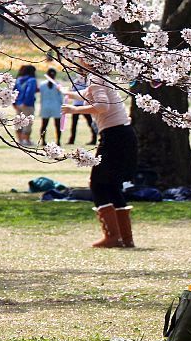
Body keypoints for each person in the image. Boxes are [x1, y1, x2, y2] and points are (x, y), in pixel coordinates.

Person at [61, 60, 138, 248]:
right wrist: (67, 94)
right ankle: (124, 238)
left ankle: (112, 237)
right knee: (112, 185)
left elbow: (102, 106)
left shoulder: (95, 80)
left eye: (82, 57)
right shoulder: (102, 79)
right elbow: (91, 97)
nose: (77, 61)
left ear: (89, 61)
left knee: (98, 183)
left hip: (114, 136)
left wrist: (74, 110)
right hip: (124, 135)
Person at [66, 73, 97, 145]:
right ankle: (72, 140)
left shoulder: (87, 82)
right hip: (76, 105)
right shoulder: (75, 82)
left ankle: (94, 139)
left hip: (84, 105)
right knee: (74, 124)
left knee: (90, 123)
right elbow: (72, 91)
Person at [13, 65, 38, 146]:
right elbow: (29, 92)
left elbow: (14, 91)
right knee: (28, 122)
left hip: (18, 104)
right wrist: (26, 102)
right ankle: (26, 140)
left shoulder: (19, 79)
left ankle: (20, 140)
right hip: (28, 104)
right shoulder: (32, 80)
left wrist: (14, 103)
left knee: (19, 122)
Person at [38, 68, 64, 146]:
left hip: (45, 105)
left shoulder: (42, 84)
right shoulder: (58, 84)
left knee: (44, 125)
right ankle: (58, 141)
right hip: (56, 106)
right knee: (57, 125)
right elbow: (61, 97)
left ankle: (43, 141)